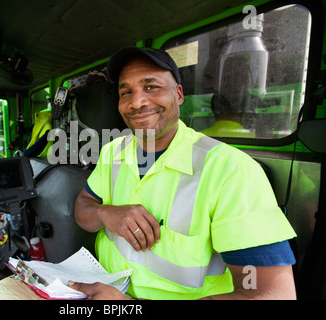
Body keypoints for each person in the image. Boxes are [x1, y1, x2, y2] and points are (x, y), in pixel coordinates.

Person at [69, 46, 297, 300]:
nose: (137, 102)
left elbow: (272, 294)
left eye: (152, 87)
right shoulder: (113, 152)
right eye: (126, 92)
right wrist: (104, 212)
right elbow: (83, 206)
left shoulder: (232, 171)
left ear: (178, 94)